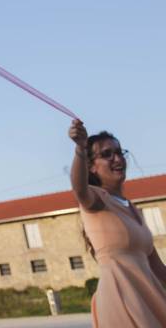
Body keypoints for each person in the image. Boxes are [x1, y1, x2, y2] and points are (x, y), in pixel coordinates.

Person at [68, 119, 166, 326]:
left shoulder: (133, 209)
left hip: (149, 296)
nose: (117, 158)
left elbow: (158, 268)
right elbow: (79, 188)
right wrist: (80, 147)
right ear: (91, 167)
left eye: (119, 152)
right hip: (121, 296)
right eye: (106, 154)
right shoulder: (96, 199)